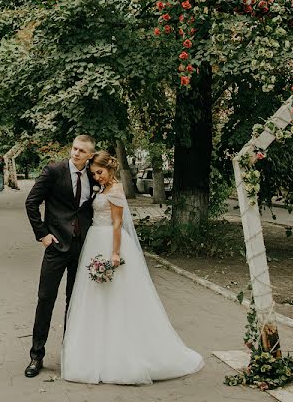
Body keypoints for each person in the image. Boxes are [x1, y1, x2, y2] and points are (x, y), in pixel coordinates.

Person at [61, 151, 204, 384]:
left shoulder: (115, 190)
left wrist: (115, 253)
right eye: (94, 173)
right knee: (96, 297)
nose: (97, 177)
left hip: (109, 242)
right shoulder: (103, 188)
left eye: (100, 172)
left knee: (117, 297)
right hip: (95, 242)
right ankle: (96, 350)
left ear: (110, 169)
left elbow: (117, 223)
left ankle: (122, 354)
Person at [23, 135, 97, 378]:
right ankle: (36, 356)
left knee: (74, 303)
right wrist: (42, 235)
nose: (76, 153)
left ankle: (70, 354)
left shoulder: (92, 176)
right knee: (45, 299)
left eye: (82, 151)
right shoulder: (53, 171)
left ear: (89, 155)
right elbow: (31, 202)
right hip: (55, 247)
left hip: (82, 248)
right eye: (74, 148)